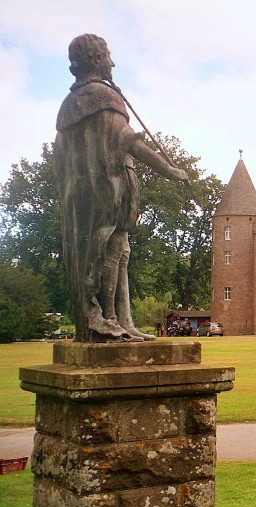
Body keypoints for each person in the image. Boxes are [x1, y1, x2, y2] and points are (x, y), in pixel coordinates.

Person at [53, 34, 188, 342]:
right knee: (110, 250)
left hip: (90, 193)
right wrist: (169, 169)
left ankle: (123, 320)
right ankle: (107, 318)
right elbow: (127, 140)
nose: (112, 62)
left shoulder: (70, 106)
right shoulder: (102, 97)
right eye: (108, 56)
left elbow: (59, 162)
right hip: (103, 192)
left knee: (121, 249)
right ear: (96, 59)